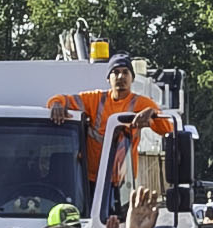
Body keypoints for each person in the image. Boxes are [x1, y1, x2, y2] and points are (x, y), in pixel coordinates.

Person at [45, 55, 176, 207]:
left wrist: (153, 112)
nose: (121, 76)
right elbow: (61, 99)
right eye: (115, 72)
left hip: (123, 184)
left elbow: (167, 129)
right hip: (91, 181)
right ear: (108, 78)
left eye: (125, 72)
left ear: (132, 78)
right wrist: (56, 104)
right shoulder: (95, 99)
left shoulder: (142, 103)